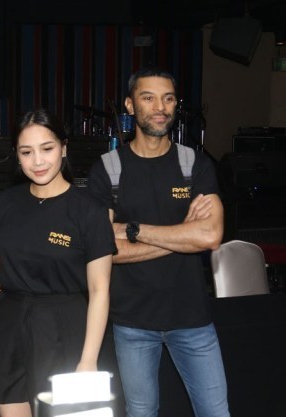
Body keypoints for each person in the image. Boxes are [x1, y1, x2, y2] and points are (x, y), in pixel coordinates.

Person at [87, 67, 230, 417]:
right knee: (142, 412)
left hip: (192, 318)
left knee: (216, 412)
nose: (159, 107)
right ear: (130, 105)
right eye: (148, 98)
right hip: (133, 322)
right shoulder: (107, 169)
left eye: (167, 99)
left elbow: (210, 236)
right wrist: (183, 233)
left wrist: (132, 230)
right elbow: (102, 250)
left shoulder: (195, 164)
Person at [0, 109, 116, 417]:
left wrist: (88, 360)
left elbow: (100, 290)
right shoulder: (6, 202)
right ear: (17, 155)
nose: (37, 161)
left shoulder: (89, 211)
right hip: (7, 325)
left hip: (64, 328)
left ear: (63, 148)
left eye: (47, 148)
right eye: (26, 152)